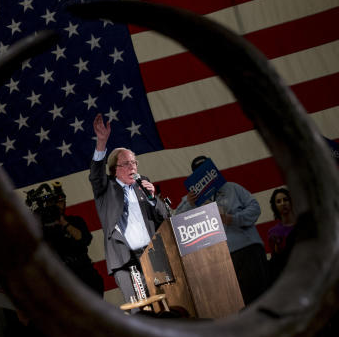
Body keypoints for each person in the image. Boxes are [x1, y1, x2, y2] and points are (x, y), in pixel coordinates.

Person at [90, 114, 171, 304]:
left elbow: (165, 216)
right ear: (114, 169)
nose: (132, 167)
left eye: (134, 162)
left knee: (166, 304)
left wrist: (153, 198)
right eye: (126, 163)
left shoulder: (143, 185)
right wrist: (102, 142)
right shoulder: (105, 188)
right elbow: (95, 174)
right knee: (141, 310)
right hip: (127, 261)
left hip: (153, 255)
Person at [175, 155, 269, 304]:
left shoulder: (232, 187)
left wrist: (234, 219)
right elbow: (176, 224)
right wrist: (189, 204)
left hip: (247, 249)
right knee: (235, 304)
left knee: (260, 299)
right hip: (218, 260)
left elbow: (255, 208)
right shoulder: (191, 200)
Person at [26, 182, 104, 295]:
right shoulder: (39, 229)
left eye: (61, 201)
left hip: (85, 276)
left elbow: (84, 239)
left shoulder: (75, 221)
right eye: (54, 203)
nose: (58, 205)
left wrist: (63, 223)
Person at [266, 187, 296, 282]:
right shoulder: (273, 232)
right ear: (275, 207)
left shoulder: (304, 224)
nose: (283, 203)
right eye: (278, 201)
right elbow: (277, 257)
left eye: (285, 200)